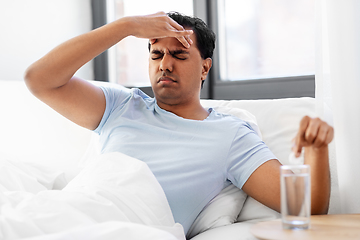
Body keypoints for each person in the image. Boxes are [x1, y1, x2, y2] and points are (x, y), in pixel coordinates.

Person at [24, 12, 334, 235]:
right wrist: (126, 26)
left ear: (204, 68)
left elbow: (305, 207)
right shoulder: (122, 106)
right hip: (70, 211)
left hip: (130, 228)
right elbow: (39, 80)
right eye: (156, 54)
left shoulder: (228, 134)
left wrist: (316, 149)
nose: (165, 64)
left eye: (179, 55)